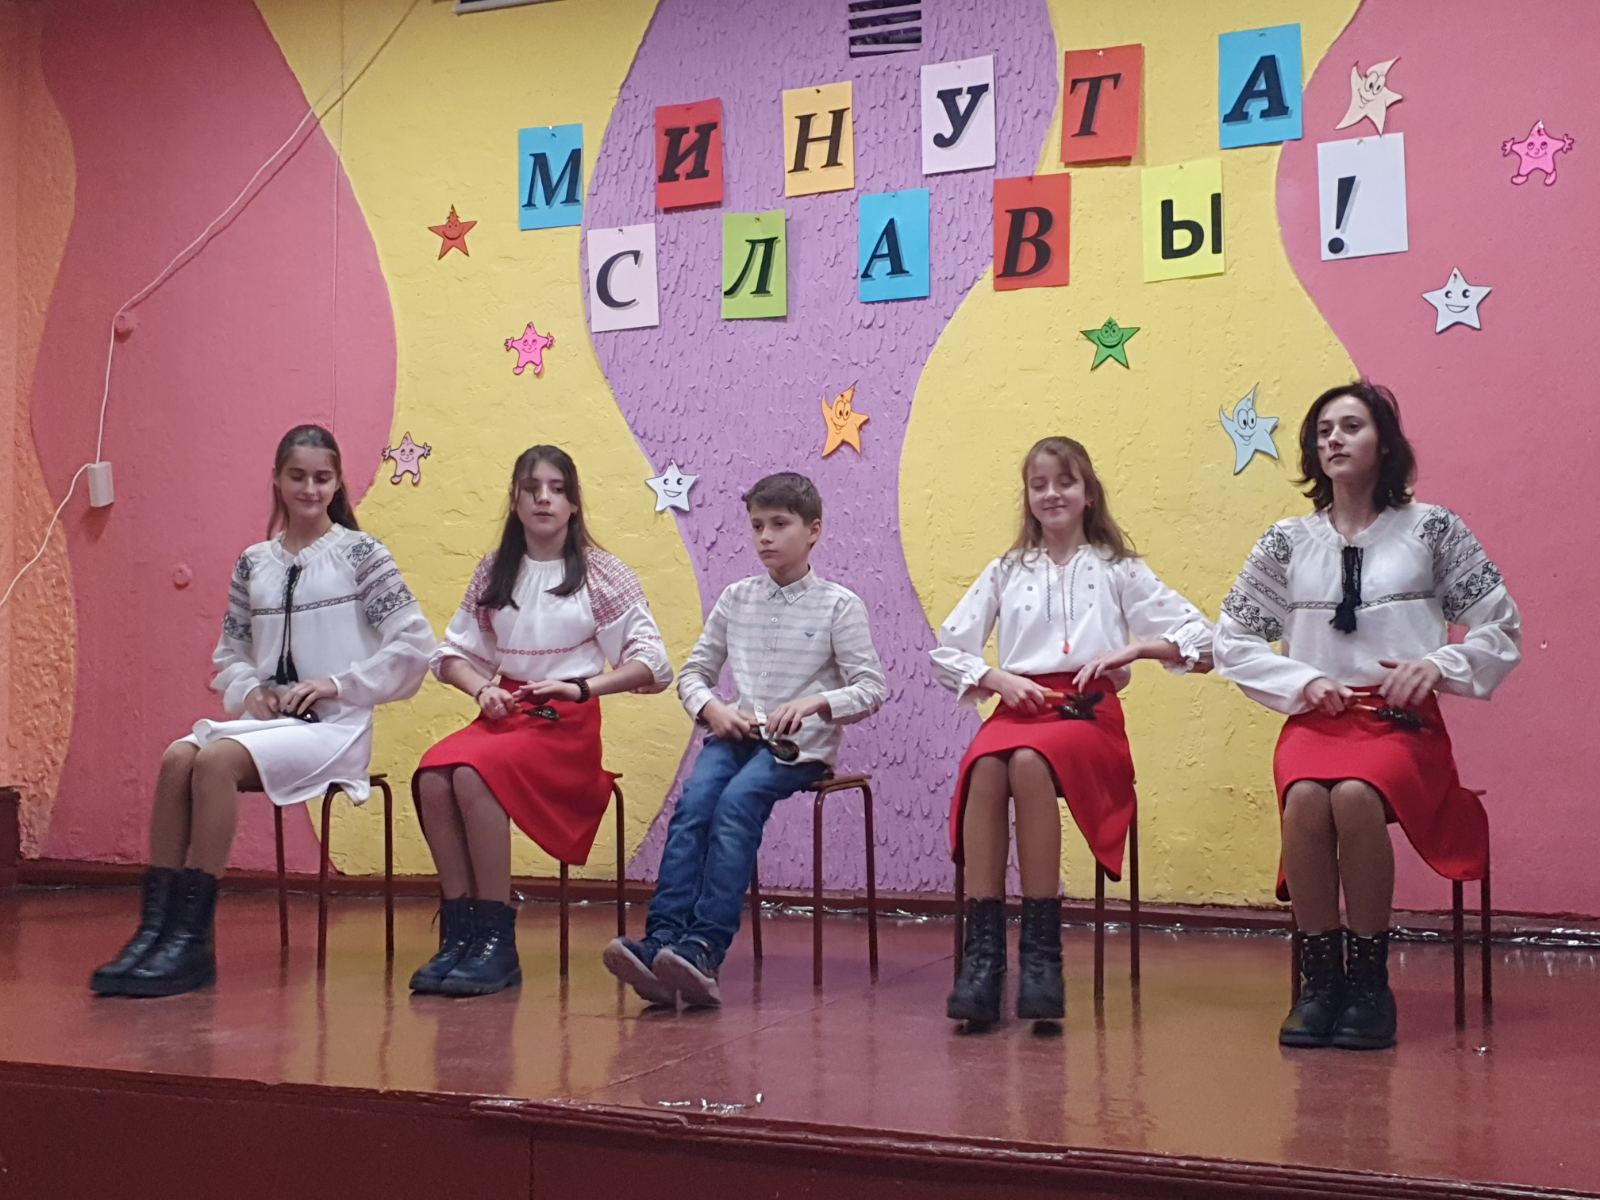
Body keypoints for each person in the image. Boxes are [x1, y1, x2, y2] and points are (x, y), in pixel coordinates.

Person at [1214, 382, 1521, 1050]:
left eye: (1351, 426)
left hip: (1400, 724)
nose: (1334, 439)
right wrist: (1302, 680)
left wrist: (1437, 665)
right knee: (1305, 798)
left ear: (1384, 443)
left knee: (1354, 795)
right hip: (1316, 722)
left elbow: (1501, 628)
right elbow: (1230, 641)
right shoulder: (1288, 541)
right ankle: (1321, 983)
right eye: (1323, 429)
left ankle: (1369, 982)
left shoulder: (1432, 529)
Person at [90, 424, 435, 998]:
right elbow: (231, 653)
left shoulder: (362, 554)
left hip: (335, 729)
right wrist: (253, 691)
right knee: (177, 758)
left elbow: (415, 645)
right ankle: (155, 929)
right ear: (276, 479)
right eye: (297, 476)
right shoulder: (254, 563)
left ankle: (192, 942)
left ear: (337, 483)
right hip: (271, 724)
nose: (309, 489)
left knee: (214, 762)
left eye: (322, 478)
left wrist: (336, 684)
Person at [931, 436, 1212, 1027]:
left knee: (1028, 761)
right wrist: (996, 678)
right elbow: (948, 649)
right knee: (985, 765)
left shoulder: (1118, 567)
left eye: (1065, 482)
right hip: (1017, 710)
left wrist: (1137, 648)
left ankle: (1042, 956)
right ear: (1028, 497)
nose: (1052, 494)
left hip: (1086, 714)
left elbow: (1202, 639)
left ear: (1088, 494)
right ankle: (983, 958)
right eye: (1039, 485)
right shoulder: (1007, 570)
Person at [603, 472, 887, 1008]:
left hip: (798, 750)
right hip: (736, 736)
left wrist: (816, 703)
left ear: (814, 530)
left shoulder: (839, 605)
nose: (765, 537)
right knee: (693, 805)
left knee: (736, 804)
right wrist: (713, 709)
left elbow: (872, 688)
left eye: (779, 524)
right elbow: (694, 673)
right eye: (757, 525)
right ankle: (662, 942)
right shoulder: (736, 598)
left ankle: (703, 948)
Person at [411, 445, 672, 996]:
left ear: (574, 503)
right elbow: (451, 655)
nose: (544, 499)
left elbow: (654, 664)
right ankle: (460, 932)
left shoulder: (602, 572)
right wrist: (482, 688)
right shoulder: (495, 570)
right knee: (433, 775)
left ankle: (496, 940)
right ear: (515, 501)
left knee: (472, 774)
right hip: (506, 713)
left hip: (565, 721)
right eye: (532, 489)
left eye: (557, 489)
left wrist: (582, 686)